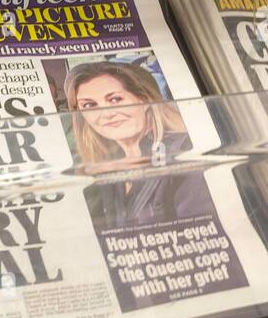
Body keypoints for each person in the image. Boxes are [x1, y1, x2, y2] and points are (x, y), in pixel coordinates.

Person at [65, 61, 210, 227]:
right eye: (90, 105)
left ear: (145, 100)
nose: (106, 114)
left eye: (115, 99)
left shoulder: (184, 151)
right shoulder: (106, 165)